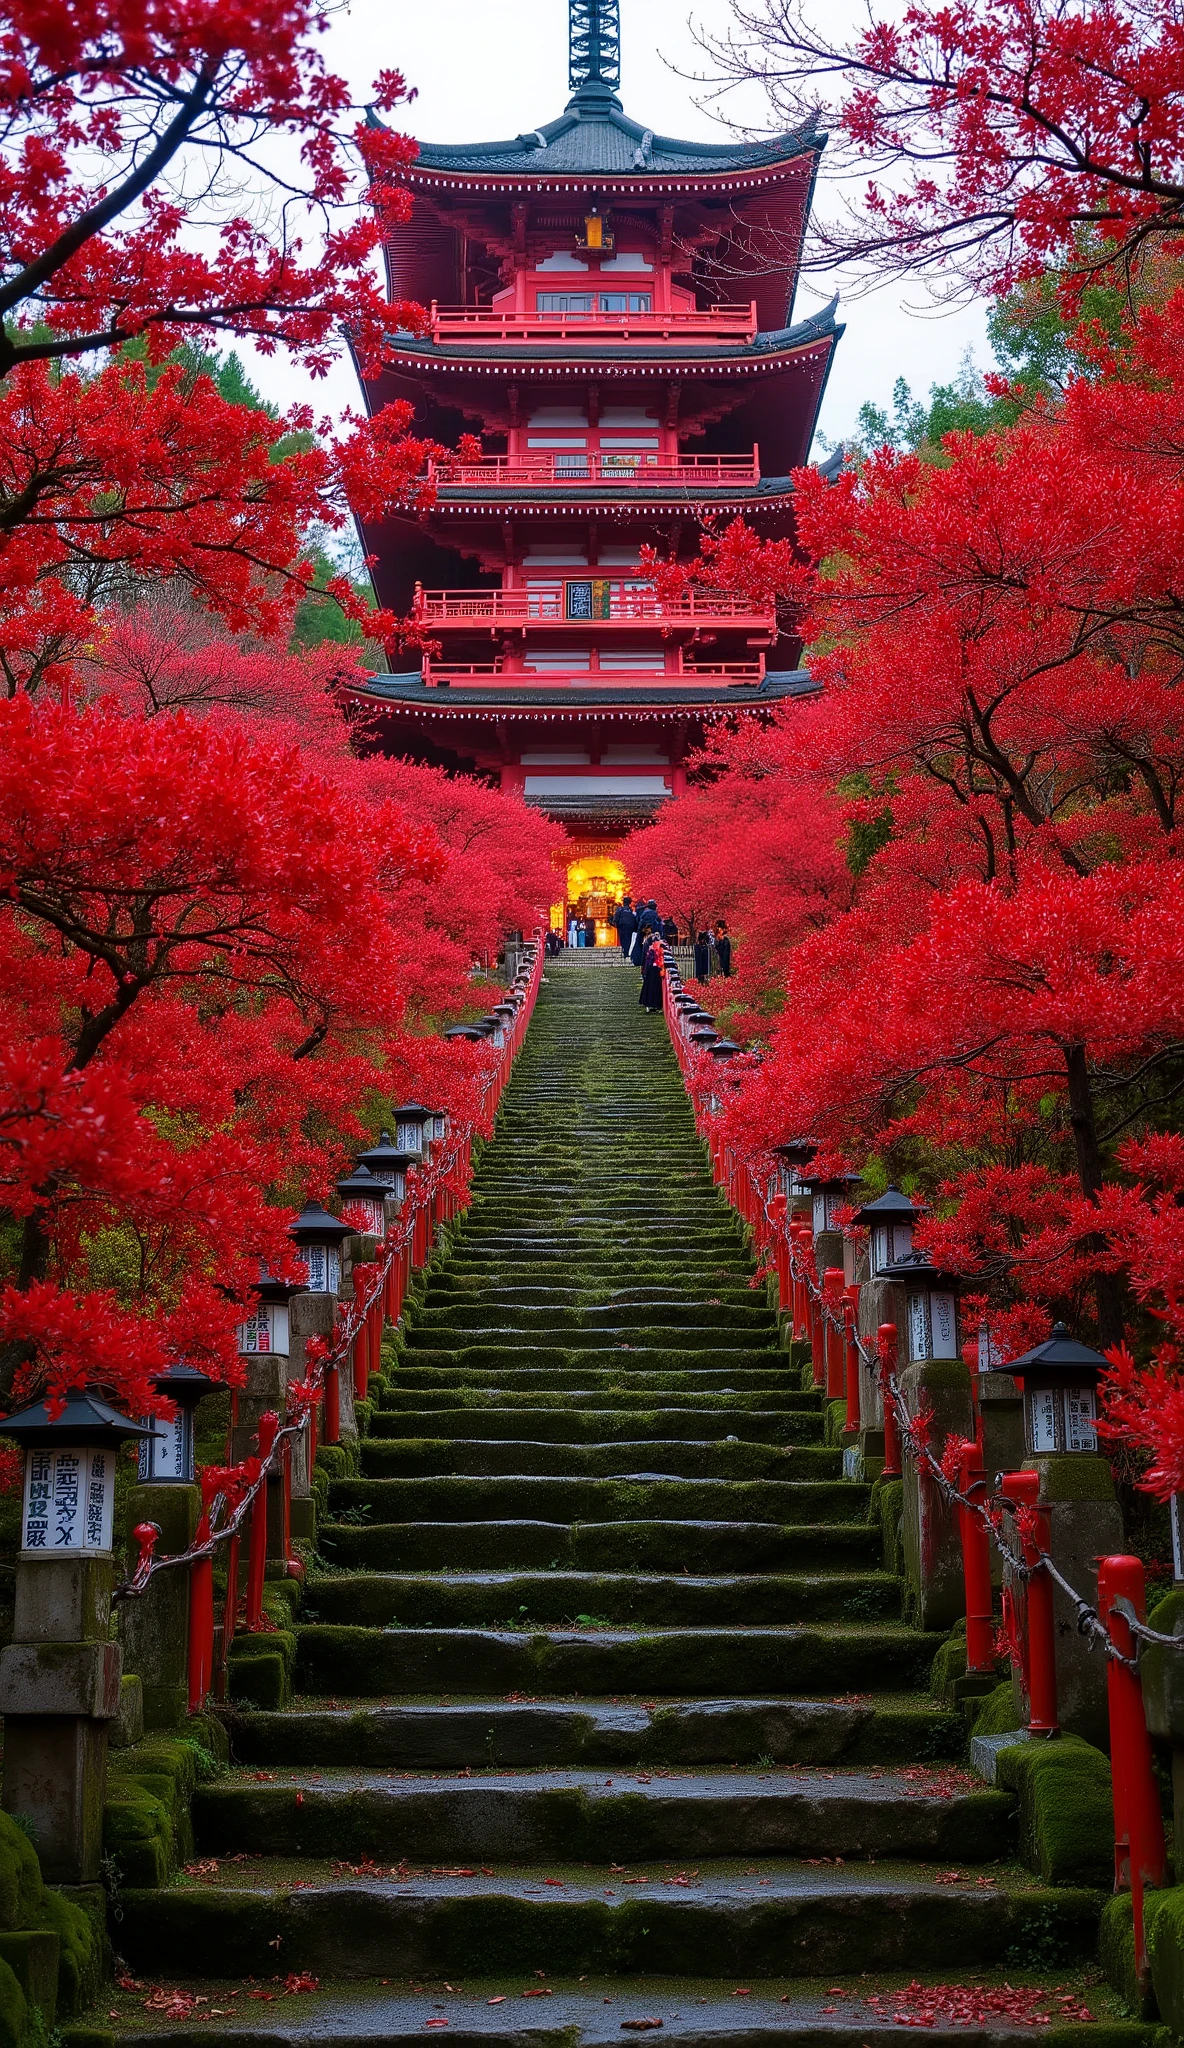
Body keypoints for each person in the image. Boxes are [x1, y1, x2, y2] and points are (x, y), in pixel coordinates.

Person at [639, 935, 664, 1013]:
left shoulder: (650, 948)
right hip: (656, 969)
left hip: (651, 969)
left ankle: (650, 1004)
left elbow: (645, 959)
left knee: (650, 987)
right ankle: (655, 1005)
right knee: (655, 988)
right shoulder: (657, 948)